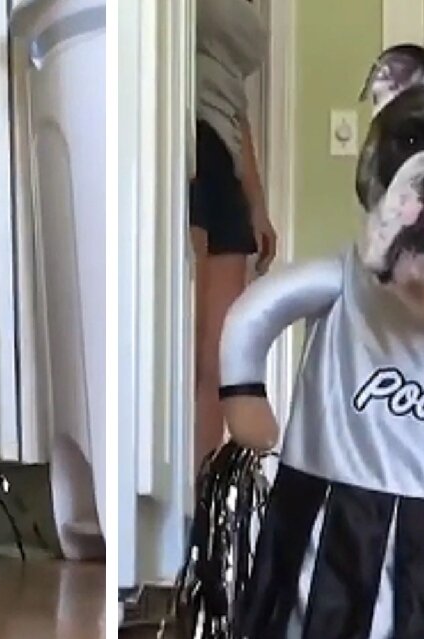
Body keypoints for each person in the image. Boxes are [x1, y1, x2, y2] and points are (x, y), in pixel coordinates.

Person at [190, 0, 274, 470]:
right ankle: (163, 500)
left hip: (222, 157)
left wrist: (257, 204)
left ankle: (197, 500)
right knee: (184, 343)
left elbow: (232, 100)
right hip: (184, 145)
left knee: (217, 357)